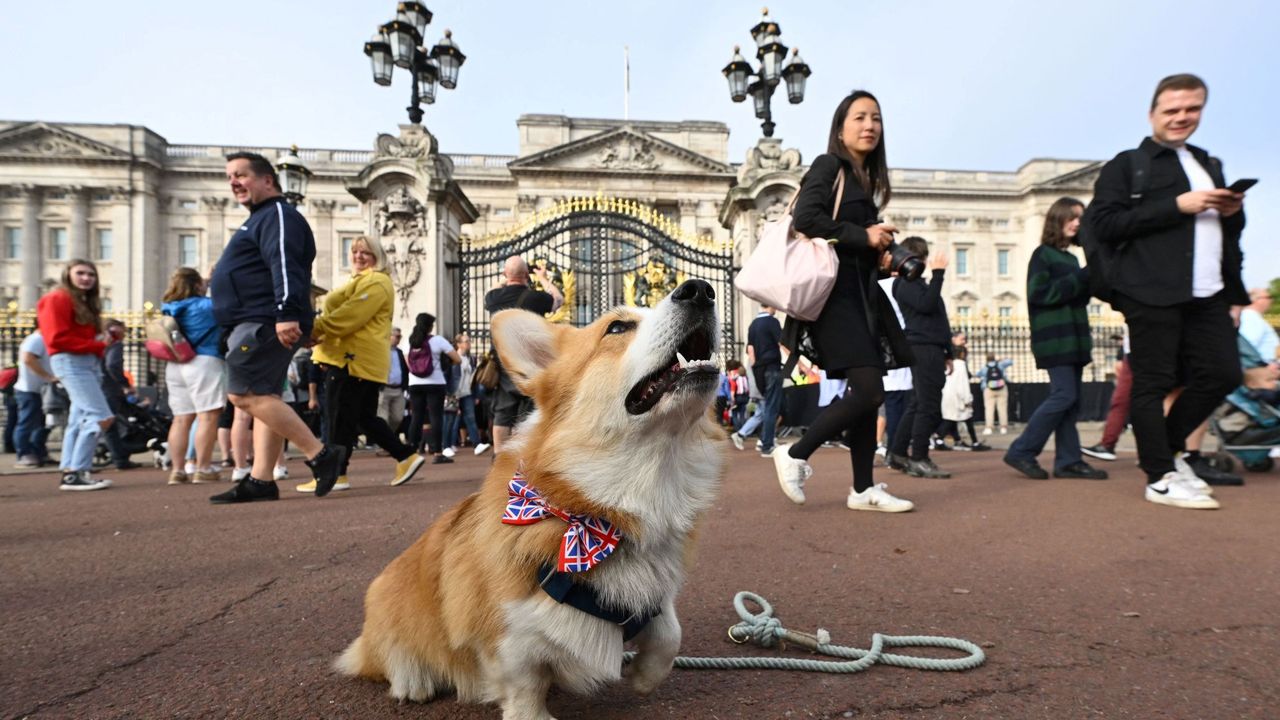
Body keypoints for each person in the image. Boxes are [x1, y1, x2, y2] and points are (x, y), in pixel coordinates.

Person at [1083, 73, 1247, 510]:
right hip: (1150, 287)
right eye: (1171, 110)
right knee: (1153, 382)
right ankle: (1159, 476)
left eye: (1191, 109)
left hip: (1208, 289)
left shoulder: (1207, 163)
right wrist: (1177, 206)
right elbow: (1103, 224)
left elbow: (1228, 235)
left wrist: (1232, 212)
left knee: (1223, 373)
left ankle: (1167, 453)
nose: (1181, 117)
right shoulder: (1128, 163)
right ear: (1153, 113)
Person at [771, 89, 915, 513]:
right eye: (859, 117)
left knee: (867, 391)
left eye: (876, 118)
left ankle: (862, 488)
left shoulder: (865, 182)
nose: (869, 125)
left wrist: (882, 257)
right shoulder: (828, 165)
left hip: (862, 295)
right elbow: (806, 220)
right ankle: (795, 453)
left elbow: (851, 241)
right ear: (840, 127)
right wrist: (863, 235)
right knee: (870, 390)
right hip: (834, 298)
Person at [207, 151, 345, 503]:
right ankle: (261, 479)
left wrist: (287, 312)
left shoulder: (277, 214)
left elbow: (284, 263)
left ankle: (320, 454)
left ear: (267, 180)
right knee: (265, 397)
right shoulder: (263, 217)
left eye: (241, 174)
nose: (234, 182)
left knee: (244, 395)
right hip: (259, 318)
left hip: (262, 319)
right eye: (230, 177)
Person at [305, 235, 426, 491]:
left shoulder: (376, 282)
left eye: (365, 253)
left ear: (377, 257)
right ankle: (404, 456)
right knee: (360, 418)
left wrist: (316, 330)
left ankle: (337, 474)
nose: (359, 256)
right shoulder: (363, 281)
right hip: (359, 360)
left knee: (339, 417)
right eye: (355, 251)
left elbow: (350, 316)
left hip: (353, 360)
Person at [1002, 198, 1108, 481]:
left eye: (1080, 219)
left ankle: (1068, 461)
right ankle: (1022, 450)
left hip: (1074, 338)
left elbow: (1078, 296)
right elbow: (1040, 294)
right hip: (1055, 339)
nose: (1077, 223)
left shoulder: (1072, 258)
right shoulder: (1043, 255)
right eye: (1071, 218)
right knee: (1064, 395)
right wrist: (1081, 278)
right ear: (1057, 220)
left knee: (1072, 403)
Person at [37, 260, 115, 491]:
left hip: (85, 361)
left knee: (78, 419)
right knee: (100, 416)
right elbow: (55, 339)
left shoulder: (79, 301)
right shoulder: (57, 298)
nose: (86, 278)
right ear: (67, 275)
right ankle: (76, 471)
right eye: (80, 273)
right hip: (71, 361)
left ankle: (70, 469)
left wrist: (100, 342)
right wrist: (95, 344)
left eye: (91, 274)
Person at [886, 236, 953, 479]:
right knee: (928, 406)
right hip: (923, 347)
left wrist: (948, 352)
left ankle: (898, 452)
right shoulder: (907, 284)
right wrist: (938, 275)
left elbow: (939, 319)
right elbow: (926, 306)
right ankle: (919, 457)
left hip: (932, 347)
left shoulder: (919, 284)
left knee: (917, 404)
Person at [483, 256, 562, 453]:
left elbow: (493, 289)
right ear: (526, 275)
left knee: (502, 412)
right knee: (529, 410)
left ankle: (499, 456)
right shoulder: (535, 298)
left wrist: (506, 276)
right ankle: (524, 455)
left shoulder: (494, 298)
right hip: (529, 361)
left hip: (502, 360)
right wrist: (542, 278)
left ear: (504, 274)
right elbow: (558, 299)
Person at [160, 268, 226, 485]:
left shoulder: (169, 307)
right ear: (197, 284)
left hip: (176, 362)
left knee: (180, 419)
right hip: (204, 360)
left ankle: (177, 470)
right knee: (207, 416)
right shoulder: (207, 306)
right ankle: (203, 467)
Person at [405, 312, 462, 464]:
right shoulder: (437, 340)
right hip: (435, 382)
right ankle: (437, 452)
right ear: (430, 326)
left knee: (416, 417)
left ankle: (411, 451)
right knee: (436, 417)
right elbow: (457, 359)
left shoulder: (410, 341)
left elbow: (408, 363)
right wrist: (445, 364)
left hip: (415, 383)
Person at [98, 318, 142, 471]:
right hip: (110, 388)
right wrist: (125, 385)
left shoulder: (100, 343)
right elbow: (113, 365)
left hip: (100, 386)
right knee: (109, 425)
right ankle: (119, 458)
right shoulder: (115, 344)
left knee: (110, 424)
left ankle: (120, 456)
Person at [740, 304, 784, 455]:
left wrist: (755, 371)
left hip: (759, 370)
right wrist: (801, 365)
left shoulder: (753, 325)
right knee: (772, 408)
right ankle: (767, 445)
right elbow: (783, 344)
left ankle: (764, 441)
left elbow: (751, 351)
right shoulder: (772, 322)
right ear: (770, 304)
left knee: (766, 408)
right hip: (772, 367)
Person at [1083, 329, 1131, 462]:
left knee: (1121, 402)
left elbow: (1119, 367)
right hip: (1138, 353)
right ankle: (1107, 445)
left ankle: (1107, 445)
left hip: (1141, 353)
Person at [13, 326, 55, 468]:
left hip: (40, 389)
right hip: (30, 389)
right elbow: (28, 359)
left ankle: (39, 452)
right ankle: (23, 454)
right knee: (27, 422)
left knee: (42, 424)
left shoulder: (42, 339)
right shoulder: (36, 339)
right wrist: (47, 376)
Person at [444, 333, 487, 456]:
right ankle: (446, 445)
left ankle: (477, 444)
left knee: (471, 419)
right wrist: (447, 392)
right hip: (454, 393)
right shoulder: (453, 358)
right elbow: (448, 376)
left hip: (467, 392)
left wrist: (476, 394)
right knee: (450, 420)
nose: (468, 343)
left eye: (469, 341)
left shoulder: (470, 359)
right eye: (466, 341)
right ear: (459, 344)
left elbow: (473, 379)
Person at [377, 327, 409, 436]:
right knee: (383, 419)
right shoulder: (381, 351)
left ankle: (388, 439)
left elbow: (404, 370)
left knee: (397, 418)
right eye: (397, 336)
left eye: (400, 337)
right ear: (389, 336)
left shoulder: (399, 352)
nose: (398, 339)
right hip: (384, 389)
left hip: (398, 390)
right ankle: (385, 442)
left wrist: (405, 387)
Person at [980, 354, 1013, 435]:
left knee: (989, 409)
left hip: (988, 389)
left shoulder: (985, 368)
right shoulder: (1000, 365)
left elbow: (978, 374)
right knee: (1002, 408)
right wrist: (1001, 359)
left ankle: (989, 428)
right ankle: (1003, 427)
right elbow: (1010, 362)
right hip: (1002, 388)